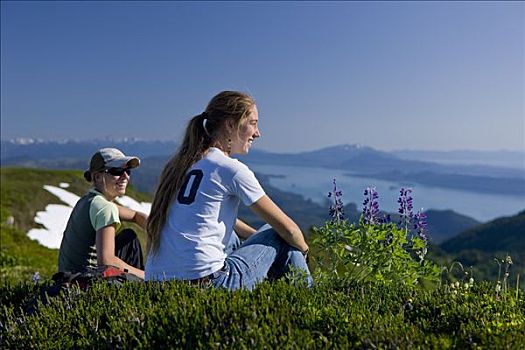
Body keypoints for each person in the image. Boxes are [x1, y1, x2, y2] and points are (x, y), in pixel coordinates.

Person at [145, 91, 312, 289]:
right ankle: (308, 296)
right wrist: (304, 251)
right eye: (253, 123)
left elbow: (206, 216)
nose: (257, 132)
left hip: (157, 283)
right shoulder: (229, 168)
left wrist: (255, 238)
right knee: (276, 232)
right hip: (209, 284)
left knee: (233, 236)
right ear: (230, 124)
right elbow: (289, 229)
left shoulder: (180, 165)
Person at [58, 148, 147, 279]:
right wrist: (148, 276)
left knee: (129, 237)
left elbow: (136, 216)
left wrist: (158, 231)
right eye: (117, 171)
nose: (125, 177)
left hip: (67, 278)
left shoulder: (88, 200)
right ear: (97, 177)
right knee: (130, 239)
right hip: (85, 282)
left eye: (127, 171)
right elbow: (107, 262)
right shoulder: (104, 208)